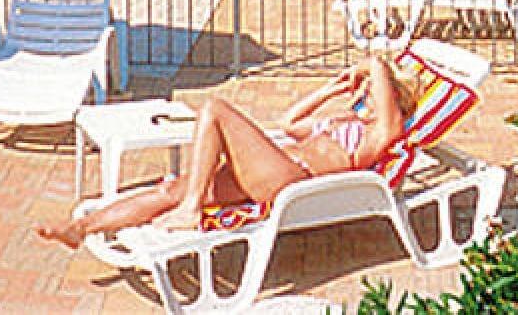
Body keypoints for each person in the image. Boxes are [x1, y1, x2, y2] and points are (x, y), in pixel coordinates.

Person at [36, 54, 411, 248]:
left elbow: (379, 70)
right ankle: (80, 229)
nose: (364, 97)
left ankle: (192, 208)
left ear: (390, 100)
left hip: (291, 181)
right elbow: (289, 122)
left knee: (215, 110)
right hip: (273, 167)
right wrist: (331, 90)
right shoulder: (345, 121)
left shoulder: (378, 137)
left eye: (371, 95)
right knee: (170, 190)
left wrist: (371, 67)